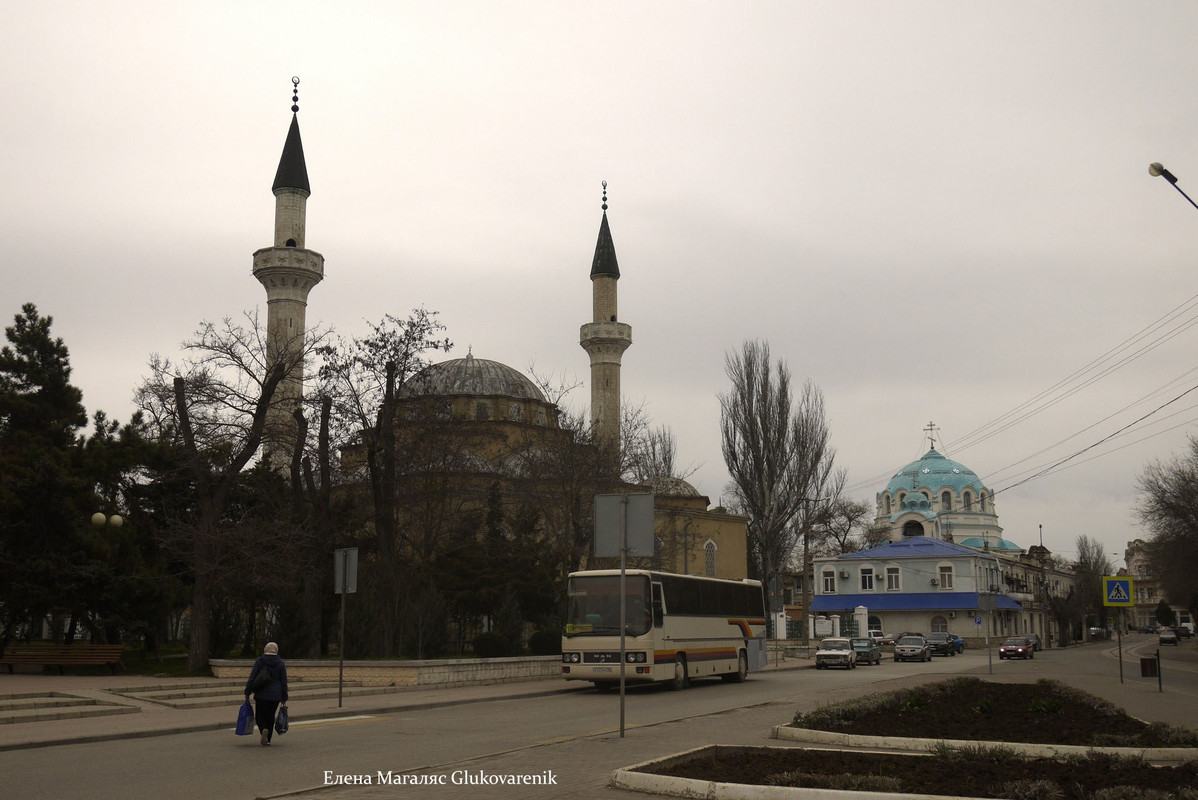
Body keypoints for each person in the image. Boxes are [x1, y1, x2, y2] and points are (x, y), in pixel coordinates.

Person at [244, 642, 288, 746]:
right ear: (276, 650)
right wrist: (284, 696)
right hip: (276, 695)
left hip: (261, 693)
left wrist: (247, 691)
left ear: (265, 649)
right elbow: (284, 681)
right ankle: (268, 739)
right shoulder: (281, 663)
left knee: (260, 715)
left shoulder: (260, 661)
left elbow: (253, 677)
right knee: (270, 716)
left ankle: (263, 729)